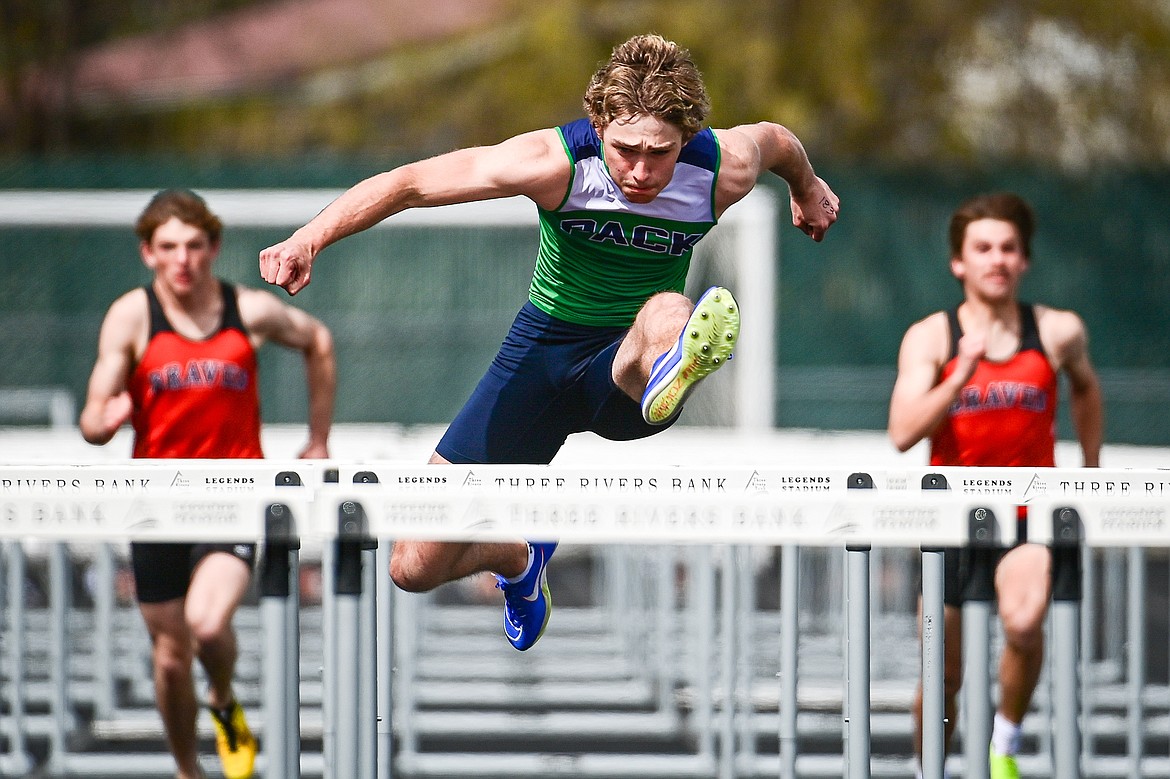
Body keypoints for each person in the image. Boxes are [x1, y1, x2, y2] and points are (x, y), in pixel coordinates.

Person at [260, 33, 839, 652]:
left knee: (669, 309)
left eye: (660, 154)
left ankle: (677, 361)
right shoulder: (552, 162)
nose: (642, 171)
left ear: (687, 137)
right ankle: (519, 557)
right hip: (541, 353)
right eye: (626, 151)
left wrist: (806, 188)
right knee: (412, 565)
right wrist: (309, 238)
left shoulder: (724, 167)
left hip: (631, 366)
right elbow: (412, 183)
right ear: (600, 126)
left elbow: (778, 140)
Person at [80, 189, 336, 779]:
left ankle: (222, 699)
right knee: (169, 660)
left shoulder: (246, 309)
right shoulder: (132, 316)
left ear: (214, 248)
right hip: (154, 503)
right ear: (148, 253)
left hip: (233, 495)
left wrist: (317, 439)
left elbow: (318, 341)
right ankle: (188, 770)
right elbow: (93, 419)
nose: (182, 260)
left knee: (205, 623)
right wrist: (106, 420)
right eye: (168, 247)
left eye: (195, 246)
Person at [887, 192, 1103, 778]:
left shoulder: (1057, 331)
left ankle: (1003, 744)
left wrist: (1090, 472)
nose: (997, 259)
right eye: (982, 248)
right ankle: (928, 768)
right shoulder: (931, 338)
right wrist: (961, 374)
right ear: (959, 262)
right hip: (951, 518)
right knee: (945, 673)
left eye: (1008, 248)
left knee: (1026, 620)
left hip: (1031, 510)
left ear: (1024, 259)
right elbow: (902, 433)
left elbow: (1085, 388)